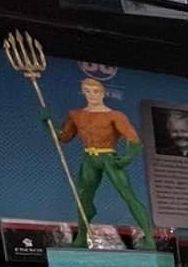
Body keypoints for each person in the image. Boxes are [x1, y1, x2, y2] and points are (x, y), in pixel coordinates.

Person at [57, 74, 153, 233]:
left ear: (102, 93)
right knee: (83, 198)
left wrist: (126, 158)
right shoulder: (76, 115)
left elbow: (134, 141)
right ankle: (82, 236)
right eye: (87, 91)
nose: (92, 95)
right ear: (83, 92)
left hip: (109, 158)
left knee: (127, 195)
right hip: (89, 159)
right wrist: (48, 122)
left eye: (95, 91)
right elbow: (64, 137)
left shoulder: (114, 115)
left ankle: (149, 236)